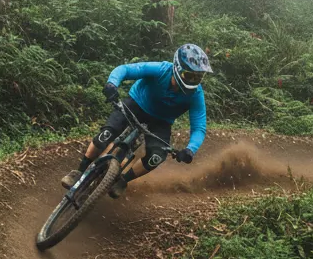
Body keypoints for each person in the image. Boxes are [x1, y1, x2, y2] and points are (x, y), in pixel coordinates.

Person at [62, 43, 212, 198]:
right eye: (189, 75)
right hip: (136, 104)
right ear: (177, 68)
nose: (194, 81)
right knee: (105, 135)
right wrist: (112, 84)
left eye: (198, 77)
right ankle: (79, 171)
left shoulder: (195, 95)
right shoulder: (160, 69)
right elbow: (125, 70)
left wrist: (190, 150)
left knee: (157, 157)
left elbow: (199, 127)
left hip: (161, 121)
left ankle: (122, 181)